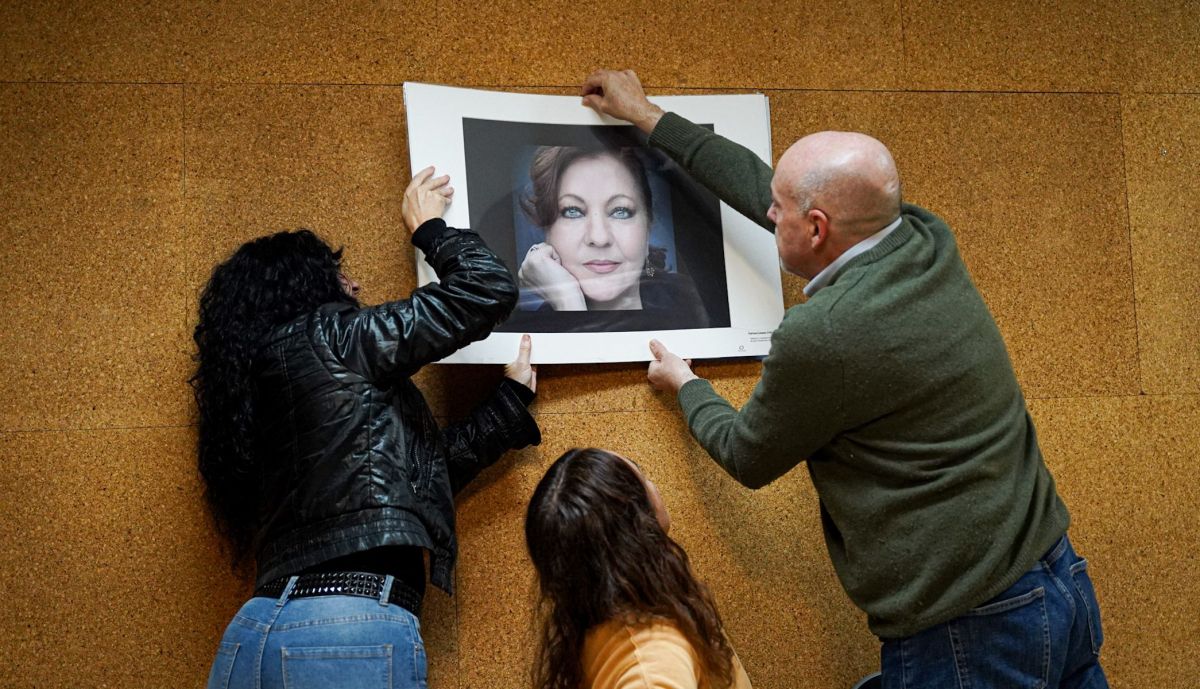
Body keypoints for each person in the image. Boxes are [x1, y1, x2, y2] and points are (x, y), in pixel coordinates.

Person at [580, 69, 1108, 689]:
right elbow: (767, 190)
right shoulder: (921, 234)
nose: (767, 210)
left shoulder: (825, 332)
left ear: (818, 229)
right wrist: (647, 116)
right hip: (1056, 577)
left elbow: (748, 455)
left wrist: (686, 384)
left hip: (971, 626)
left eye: (781, 212)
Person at [193, 167, 541, 689]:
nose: (354, 285)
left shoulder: (257, 389)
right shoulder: (332, 338)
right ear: (304, 288)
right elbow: (485, 288)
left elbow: (405, 482)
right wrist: (430, 230)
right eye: (338, 277)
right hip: (348, 628)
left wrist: (507, 405)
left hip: (254, 632)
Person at [525, 448, 753, 689]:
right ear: (636, 524)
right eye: (643, 476)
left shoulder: (597, 620)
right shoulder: (651, 663)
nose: (653, 485)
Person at [516, 145, 709, 329]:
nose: (599, 238)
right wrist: (569, 304)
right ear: (547, 230)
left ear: (648, 223)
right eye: (573, 211)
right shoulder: (527, 336)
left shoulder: (696, 308)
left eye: (620, 211)